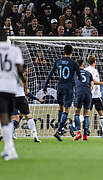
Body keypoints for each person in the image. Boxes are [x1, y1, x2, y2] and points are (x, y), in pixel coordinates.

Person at [43, 44, 82, 141]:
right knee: (66, 110)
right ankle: (59, 130)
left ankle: (60, 130)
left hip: (59, 87)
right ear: (72, 52)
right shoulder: (74, 63)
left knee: (60, 107)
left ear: (64, 52)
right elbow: (80, 77)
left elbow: (50, 74)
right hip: (68, 88)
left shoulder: (58, 61)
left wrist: (45, 86)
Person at [0, 28, 26, 160]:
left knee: (3, 117)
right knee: (9, 117)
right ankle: (7, 149)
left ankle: (10, 149)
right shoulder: (14, 50)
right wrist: (23, 81)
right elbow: (19, 68)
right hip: (10, 88)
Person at [12, 64, 44, 143]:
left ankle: (9, 134)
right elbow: (27, 93)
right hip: (21, 99)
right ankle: (35, 136)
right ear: (26, 70)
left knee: (15, 118)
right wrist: (37, 99)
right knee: (28, 117)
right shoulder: (24, 79)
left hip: (12, 99)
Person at [84, 55, 103, 139]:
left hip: (87, 94)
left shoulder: (85, 70)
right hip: (95, 95)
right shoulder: (94, 71)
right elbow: (94, 82)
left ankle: (74, 125)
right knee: (102, 114)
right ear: (95, 62)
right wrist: (102, 83)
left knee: (87, 114)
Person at [73, 60, 94, 141]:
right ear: (83, 65)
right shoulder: (88, 73)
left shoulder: (74, 73)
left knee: (76, 112)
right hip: (88, 93)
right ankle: (85, 134)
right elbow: (92, 84)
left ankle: (78, 132)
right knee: (86, 114)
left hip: (79, 92)